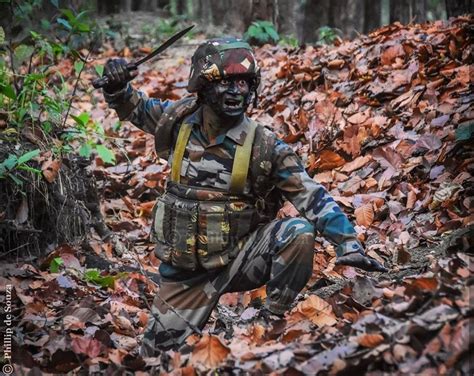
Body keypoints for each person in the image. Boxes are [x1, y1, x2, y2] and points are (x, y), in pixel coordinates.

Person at [101, 37, 387, 356]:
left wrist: (346, 240)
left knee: (298, 234)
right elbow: (134, 107)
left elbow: (311, 195)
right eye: (227, 82)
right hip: (183, 277)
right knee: (152, 359)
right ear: (204, 85)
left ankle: (269, 322)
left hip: (238, 259)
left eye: (245, 83)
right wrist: (115, 84)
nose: (238, 91)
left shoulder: (266, 147)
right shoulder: (177, 122)